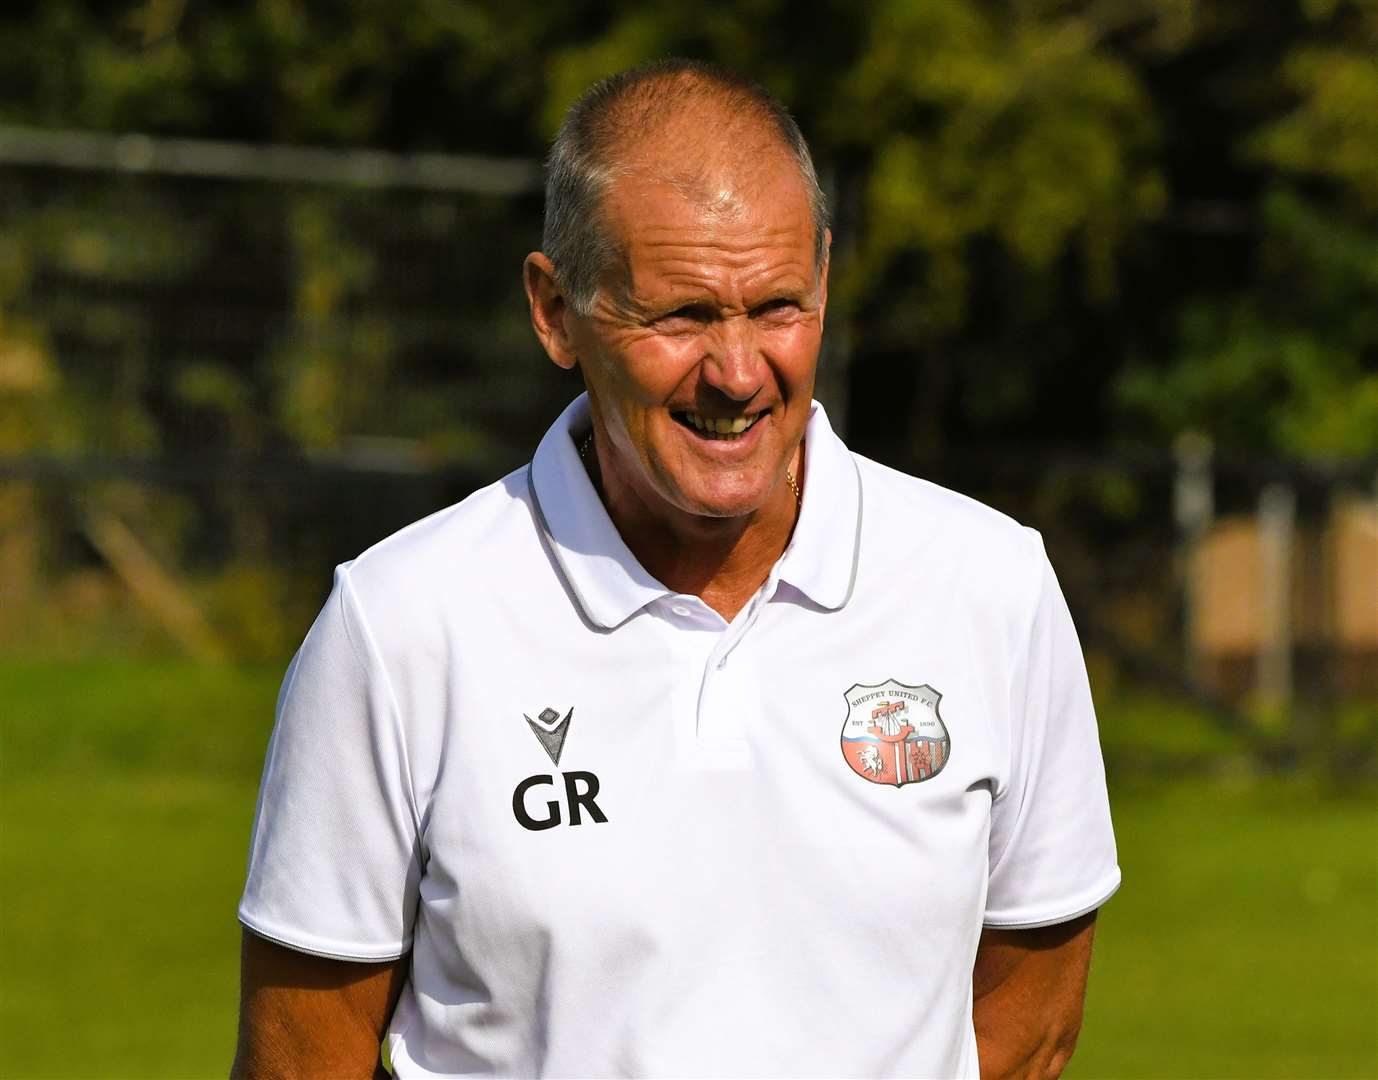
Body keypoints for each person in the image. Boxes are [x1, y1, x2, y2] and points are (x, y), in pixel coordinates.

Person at [232, 59, 1119, 1079]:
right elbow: (300, 1063)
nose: (738, 372)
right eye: (683, 315)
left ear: (825, 277)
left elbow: (1029, 1028)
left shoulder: (989, 588)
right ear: (555, 310)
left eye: (778, 306)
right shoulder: (399, 627)